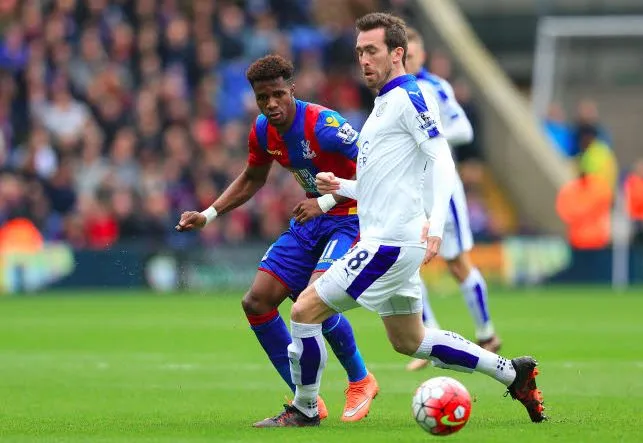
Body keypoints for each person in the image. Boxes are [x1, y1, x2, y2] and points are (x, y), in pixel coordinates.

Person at [254, 13, 545, 428]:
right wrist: (341, 186)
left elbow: (441, 159)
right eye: (359, 52)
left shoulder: (408, 97)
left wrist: (439, 227)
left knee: (303, 310)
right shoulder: (384, 105)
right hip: (394, 242)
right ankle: (511, 372)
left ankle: (304, 409)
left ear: (397, 53)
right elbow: (383, 184)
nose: (364, 60)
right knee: (410, 340)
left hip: (388, 244)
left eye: (372, 51)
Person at [175, 55, 379, 422]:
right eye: (262, 97)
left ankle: (360, 379)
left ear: (293, 90)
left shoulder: (325, 125)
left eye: (278, 95)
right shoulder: (263, 130)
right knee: (257, 301)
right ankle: (308, 403)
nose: (271, 104)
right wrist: (208, 215)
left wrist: (328, 200)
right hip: (311, 218)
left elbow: (378, 169)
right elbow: (253, 178)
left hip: (352, 218)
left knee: (313, 301)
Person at [402, 27, 501, 373]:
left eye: (411, 55)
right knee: (408, 263)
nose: (405, 60)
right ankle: (425, 338)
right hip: (411, 188)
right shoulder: (394, 93)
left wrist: (432, 133)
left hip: (441, 186)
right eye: (401, 55)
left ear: (421, 56)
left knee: (458, 263)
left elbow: (465, 130)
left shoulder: (435, 87)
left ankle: (486, 333)